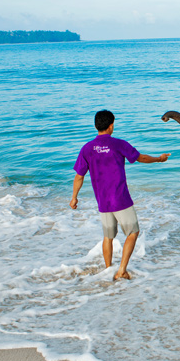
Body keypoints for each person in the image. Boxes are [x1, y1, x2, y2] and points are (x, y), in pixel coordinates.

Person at [70, 110, 170, 281]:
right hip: (120, 198)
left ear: (96, 126)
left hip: (102, 201)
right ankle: (122, 270)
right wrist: (159, 159)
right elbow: (141, 158)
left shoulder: (87, 148)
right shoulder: (118, 144)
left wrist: (74, 197)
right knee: (133, 232)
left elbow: (79, 175)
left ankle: (109, 270)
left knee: (108, 236)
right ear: (111, 125)